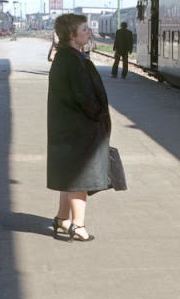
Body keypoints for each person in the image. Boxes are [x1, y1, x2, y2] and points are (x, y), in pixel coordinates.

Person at [47, 14, 111, 242]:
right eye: (84, 29)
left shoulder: (67, 57)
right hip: (78, 130)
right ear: (72, 35)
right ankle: (78, 225)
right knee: (79, 178)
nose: (89, 32)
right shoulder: (72, 61)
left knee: (68, 175)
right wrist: (98, 115)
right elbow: (84, 96)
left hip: (68, 129)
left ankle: (62, 219)